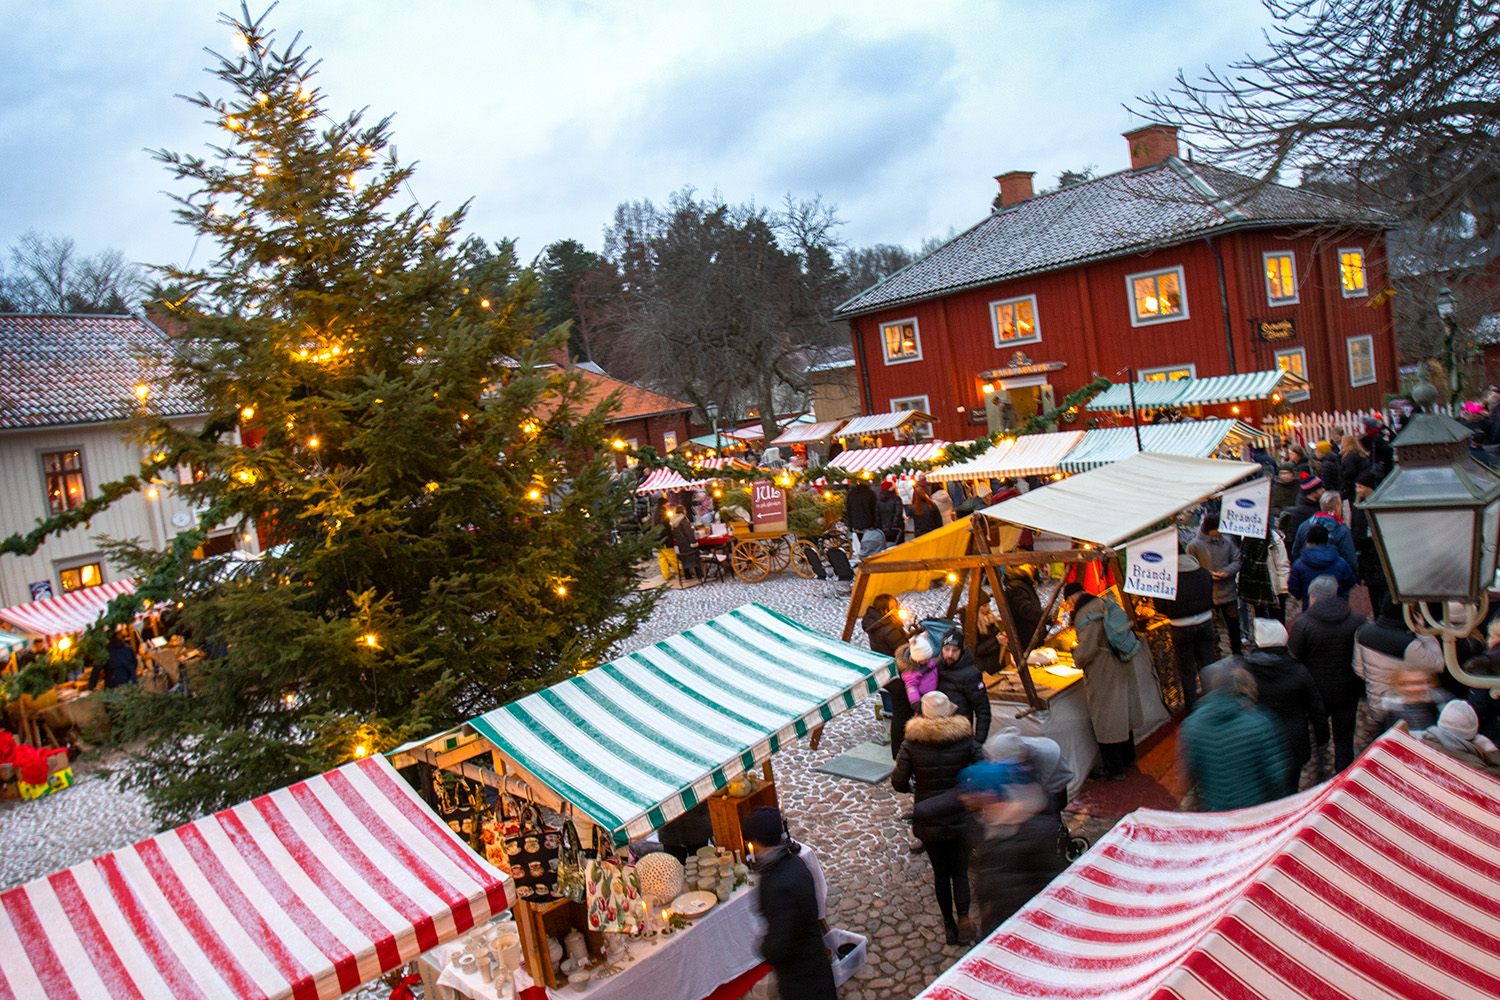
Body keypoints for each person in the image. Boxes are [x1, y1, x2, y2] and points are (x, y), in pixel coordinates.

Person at [891, 691, 984, 945]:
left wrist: (914, 788)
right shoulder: (965, 739)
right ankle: (964, 918)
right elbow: (983, 765)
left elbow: (898, 781)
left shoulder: (911, 743)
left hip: (928, 816)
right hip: (959, 813)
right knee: (960, 871)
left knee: (941, 873)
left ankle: (948, 925)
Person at [959, 760, 1066, 936]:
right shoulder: (984, 822)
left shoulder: (1033, 830)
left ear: (989, 793)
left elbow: (1047, 880)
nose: (963, 797)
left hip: (1023, 924)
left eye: (970, 792)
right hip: (998, 917)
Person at [744, 807, 836, 1000]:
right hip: (813, 961)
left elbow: (781, 941)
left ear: (758, 842)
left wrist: (765, 949)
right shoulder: (794, 862)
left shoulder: (778, 882)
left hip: (801, 976)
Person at [1178, 661, 1294, 811]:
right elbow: (1276, 777)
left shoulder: (1192, 726)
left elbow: (1188, 777)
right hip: (1256, 812)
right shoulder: (1258, 722)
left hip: (1219, 815)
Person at [1288, 575, 1367, 773]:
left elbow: (1295, 660)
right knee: (1345, 739)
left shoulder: (1304, 624)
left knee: (1318, 737)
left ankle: (1320, 773)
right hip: (1348, 691)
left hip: (1316, 694)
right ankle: (1343, 776)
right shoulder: (1357, 621)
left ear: (1313, 597)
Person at [1064, 583, 1144, 780]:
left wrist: (1076, 655)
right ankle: (1129, 758)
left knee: (1107, 718)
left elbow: (1087, 651)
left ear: (1072, 599)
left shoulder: (1085, 614)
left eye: (1067, 604)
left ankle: (1114, 768)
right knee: (1122, 713)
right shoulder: (1103, 602)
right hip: (1121, 661)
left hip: (1105, 669)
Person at [1240, 619, 1328, 788]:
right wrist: (1322, 737)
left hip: (1259, 745)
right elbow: (1315, 707)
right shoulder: (1298, 670)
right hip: (1293, 745)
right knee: (1290, 789)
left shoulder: (1245, 671)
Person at [1153, 552, 1216, 711]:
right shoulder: (1203, 574)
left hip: (1181, 627)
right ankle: (1215, 704)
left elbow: (1160, 608)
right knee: (1208, 666)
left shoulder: (1166, 580)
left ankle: (1193, 711)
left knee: (1187, 672)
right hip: (1205, 622)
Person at [1354, 598, 1444, 703]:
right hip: (1403, 705)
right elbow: (1438, 664)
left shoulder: (1362, 632)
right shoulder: (1410, 645)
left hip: (1375, 701)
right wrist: (1423, 631)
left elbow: (1359, 669)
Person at [862, 594, 916, 759]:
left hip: (887, 675)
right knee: (902, 712)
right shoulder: (889, 628)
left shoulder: (877, 625)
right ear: (886, 609)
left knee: (900, 712)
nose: (898, 608)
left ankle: (900, 750)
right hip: (897, 676)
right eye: (894, 606)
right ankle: (900, 751)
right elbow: (903, 650)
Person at [1187, 513, 1242, 656]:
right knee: (1211, 628)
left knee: (1234, 624)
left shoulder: (1227, 541)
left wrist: (1227, 572)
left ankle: (1237, 653)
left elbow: (1237, 560)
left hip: (1228, 592)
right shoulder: (1194, 545)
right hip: (1207, 594)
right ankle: (1215, 654)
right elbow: (1190, 567)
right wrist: (1208, 575)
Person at [936, 627, 992, 742]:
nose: (950, 655)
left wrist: (978, 741)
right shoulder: (935, 668)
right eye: (946, 649)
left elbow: (983, 711)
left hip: (960, 736)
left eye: (954, 650)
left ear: (961, 651)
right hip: (938, 734)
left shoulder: (971, 674)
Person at [1416, 701, 1500, 777]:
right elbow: (1495, 779)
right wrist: (1492, 751)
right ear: (1471, 737)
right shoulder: (1473, 765)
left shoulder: (1422, 743)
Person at [1347, 470, 1389, 612]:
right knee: (1372, 589)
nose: (1358, 490)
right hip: (1366, 554)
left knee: (1382, 588)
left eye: (1361, 487)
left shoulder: (1377, 506)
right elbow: (1355, 528)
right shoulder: (1358, 506)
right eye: (1357, 487)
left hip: (1376, 553)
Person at [1290, 491, 1356, 572]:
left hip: (1307, 576)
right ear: (1337, 507)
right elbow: (1350, 560)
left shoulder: (1305, 525)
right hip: (1334, 578)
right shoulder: (1342, 531)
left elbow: (1295, 553)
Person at [1289, 524, 1356, 602]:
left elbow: (1294, 589)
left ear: (1308, 540)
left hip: (1310, 609)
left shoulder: (1298, 565)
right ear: (1327, 540)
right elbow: (1349, 583)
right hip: (1336, 608)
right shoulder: (1340, 563)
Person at [1238, 524, 1290, 624]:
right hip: (1255, 587)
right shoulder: (1247, 540)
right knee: (1260, 618)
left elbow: (1282, 564)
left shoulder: (1274, 540)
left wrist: (1283, 589)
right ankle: (1263, 637)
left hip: (1272, 587)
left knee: (1277, 618)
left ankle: (1278, 638)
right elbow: (1242, 563)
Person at [1373, 669, 1451, 732]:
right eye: (1405, 684)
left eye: (1419, 683)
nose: (1414, 689)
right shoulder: (1389, 704)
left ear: (1430, 683)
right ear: (1396, 685)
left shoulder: (1439, 701)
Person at [1002, 565, 1044, 652]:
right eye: (1029, 564)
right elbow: (1026, 610)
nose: (1034, 566)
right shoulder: (1016, 586)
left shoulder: (1023, 584)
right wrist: (1046, 618)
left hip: (1029, 635)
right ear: (1019, 567)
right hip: (1025, 637)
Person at [899, 634, 940, 712]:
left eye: (928, 658)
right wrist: (916, 702)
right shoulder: (911, 672)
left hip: (933, 696)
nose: (927, 661)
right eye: (924, 659)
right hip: (923, 700)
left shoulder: (929, 663)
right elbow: (911, 687)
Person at [1278, 475, 1324, 544]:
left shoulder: (1320, 505)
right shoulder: (1299, 512)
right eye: (1320, 488)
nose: (1323, 490)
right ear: (1312, 491)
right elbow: (1296, 538)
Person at [1339, 434, 1370, 505]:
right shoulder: (1362, 454)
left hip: (1353, 486)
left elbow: (1349, 473)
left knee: (1355, 506)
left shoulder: (1349, 457)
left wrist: (1344, 486)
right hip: (1364, 483)